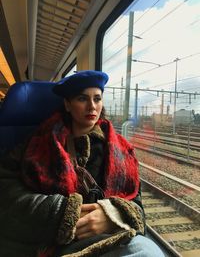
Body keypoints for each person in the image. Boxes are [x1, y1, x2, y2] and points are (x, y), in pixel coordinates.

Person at [0, 70, 164, 257]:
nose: (92, 106)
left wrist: (112, 216)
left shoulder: (122, 151)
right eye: (82, 99)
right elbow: (5, 192)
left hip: (106, 241)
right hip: (50, 242)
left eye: (97, 99)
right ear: (67, 105)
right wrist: (63, 213)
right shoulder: (38, 142)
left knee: (146, 250)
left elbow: (137, 207)